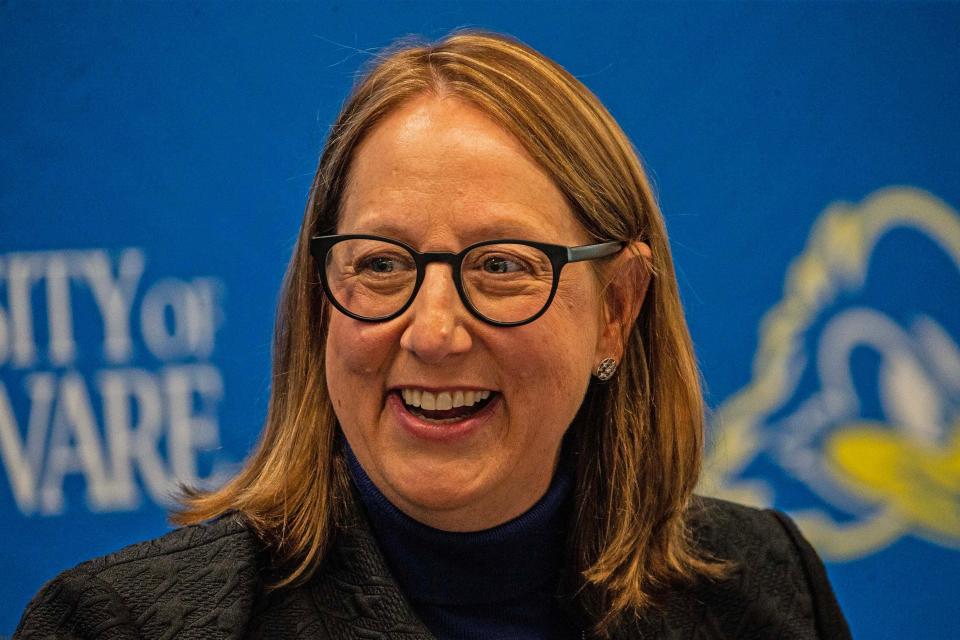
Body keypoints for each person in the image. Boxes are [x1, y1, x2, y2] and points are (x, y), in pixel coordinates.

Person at [15, 31, 850, 640]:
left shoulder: (766, 589)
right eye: (381, 265)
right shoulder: (117, 624)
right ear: (321, 299)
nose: (435, 332)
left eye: (501, 266)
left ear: (617, 309)